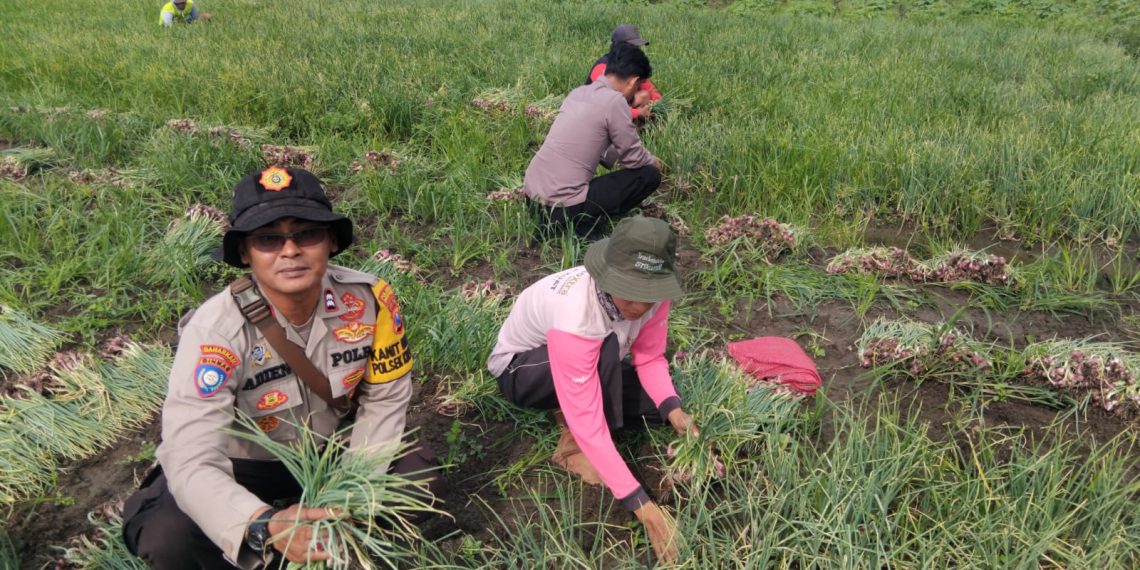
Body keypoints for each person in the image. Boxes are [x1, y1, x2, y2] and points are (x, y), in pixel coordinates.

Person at [121, 166, 439, 569]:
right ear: (244, 253)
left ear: (331, 241)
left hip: (331, 449)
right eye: (268, 239)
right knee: (167, 536)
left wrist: (352, 492)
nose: (290, 251)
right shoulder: (215, 331)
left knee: (418, 475)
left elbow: (384, 401)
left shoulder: (369, 301)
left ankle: (348, 549)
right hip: (247, 467)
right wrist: (261, 524)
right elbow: (190, 454)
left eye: (307, 234)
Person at [486, 216, 696, 564]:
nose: (639, 307)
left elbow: (649, 358)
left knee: (655, 408)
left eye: (648, 295)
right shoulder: (577, 315)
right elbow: (590, 422)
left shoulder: (655, 299)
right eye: (630, 291)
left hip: (590, 358)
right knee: (603, 354)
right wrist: (645, 509)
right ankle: (571, 445)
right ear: (607, 276)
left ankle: (583, 404)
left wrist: (673, 410)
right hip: (523, 370)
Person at [525, 43, 662, 240]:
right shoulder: (615, 102)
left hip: (533, 201)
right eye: (638, 87)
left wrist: (618, 154)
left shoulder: (578, 93)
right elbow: (633, 158)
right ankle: (582, 224)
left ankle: (570, 220)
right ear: (633, 81)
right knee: (649, 174)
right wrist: (652, 160)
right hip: (562, 209)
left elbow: (594, 144)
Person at [586, 24, 663, 121]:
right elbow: (606, 104)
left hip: (620, 104)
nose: (637, 49)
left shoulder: (631, 63)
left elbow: (648, 87)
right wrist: (637, 113)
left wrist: (657, 103)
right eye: (633, 46)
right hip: (599, 110)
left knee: (644, 95)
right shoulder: (601, 67)